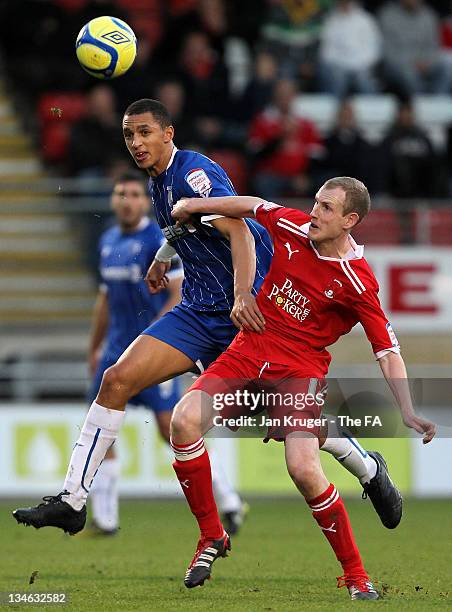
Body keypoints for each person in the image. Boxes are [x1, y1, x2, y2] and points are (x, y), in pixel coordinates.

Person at [13, 99, 401, 539]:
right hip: (198, 310)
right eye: (128, 135)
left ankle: (367, 466)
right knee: (116, 378)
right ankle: (72, 500)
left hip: (246, 313)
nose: (136, 143)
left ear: (168, 133)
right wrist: (162, 257)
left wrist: (241, 297)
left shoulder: (192, 174)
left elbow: (239, 231)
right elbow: (187, 228)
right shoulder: (158, 182)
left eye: (144, 132)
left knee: (290, 420)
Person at [168, 179, 437, 599]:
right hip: (247, 352)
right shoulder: (292, 227)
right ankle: (211, 537)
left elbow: (386, 349)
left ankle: (356, 576)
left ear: (350, 221)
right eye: (315, 203)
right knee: (183, 423)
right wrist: (190, 203)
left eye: (327, 208)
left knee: (303, 468)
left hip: (299, 371)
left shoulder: (357, 281)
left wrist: (407, 409)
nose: (314, 212)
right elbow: (252, 204)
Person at [87, 170, 246, 535]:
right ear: (113, 200)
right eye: (119, 194)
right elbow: (105, 300)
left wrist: (159, 340)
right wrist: (94, 347)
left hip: (152, 347)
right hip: (115, 349)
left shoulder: (157, 239)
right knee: (101, 426)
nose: (126, 201)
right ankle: (105, 517)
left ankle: (229, 500)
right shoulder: (108, 240)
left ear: (144, 201)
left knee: (169, 427)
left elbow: (177, 293)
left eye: (133, 194)